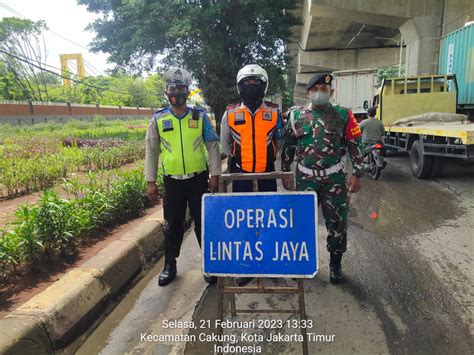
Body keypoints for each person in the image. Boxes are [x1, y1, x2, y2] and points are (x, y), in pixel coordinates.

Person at [281, 72, 364, 284]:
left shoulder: (343, 115)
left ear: (331, 92)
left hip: (334, 178)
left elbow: (355, 145)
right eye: (315, 90)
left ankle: (335, 265)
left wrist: (357, 173)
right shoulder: (295, 116)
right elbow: (289, 146)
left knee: (337, 224)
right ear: (308, 93)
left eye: (324, 90)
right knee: (301, 223)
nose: (320, 93)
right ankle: (300, 262)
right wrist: (285, 172)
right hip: (305, 178)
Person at [145, 67, 222, 286]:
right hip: (173, 182)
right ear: (166, 91)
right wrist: (150, 182)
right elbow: (151, 151)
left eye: (181, 88)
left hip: (198, 180)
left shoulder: (199, 116)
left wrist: (215, 174)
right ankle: (170, 264)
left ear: (187, 91)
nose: (176, 92)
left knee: (203, 223)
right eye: (172, 88)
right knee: (172, 224)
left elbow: (212, 146)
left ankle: (210, 263)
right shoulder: (158, 119)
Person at [220, 64, 285, 286]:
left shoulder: (274, 112)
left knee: (268, 220)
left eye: (256, 83)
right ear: (240, 87)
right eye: (247, 83)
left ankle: (269, 264)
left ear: (263, 86)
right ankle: (249, 265)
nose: (251, 87)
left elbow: (280, 140)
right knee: (245, 221)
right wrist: (236, 160)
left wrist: (273, 158)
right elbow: (225, 144)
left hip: (267, 174)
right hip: (241, 176)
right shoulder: (230, 113)